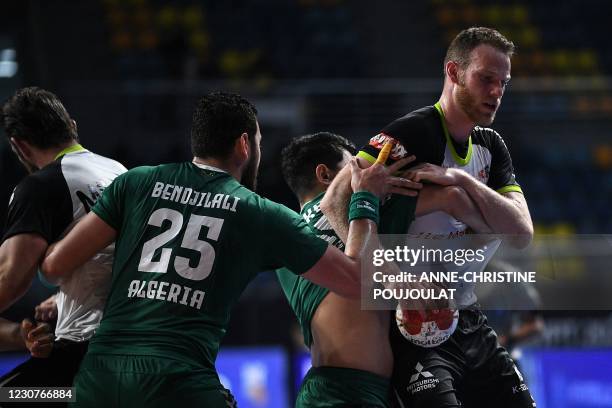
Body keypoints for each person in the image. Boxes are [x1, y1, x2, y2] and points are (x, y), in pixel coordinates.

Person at [40, 92, 415, 407]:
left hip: (100, 376)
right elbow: (356, 281)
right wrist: (363, 197)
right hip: (179, 381)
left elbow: (55, 266)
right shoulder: (261, 213)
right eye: (259, 143)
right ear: (244, 144)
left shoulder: (136, 182)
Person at [321, 27, 536, 407]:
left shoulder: (491, 146)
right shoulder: (413, 133)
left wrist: (457, 185)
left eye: (503, 83)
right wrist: (388, 275)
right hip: (415, 323)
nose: (496, 92)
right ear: (454, 73)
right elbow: (333, 201)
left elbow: (521, 233)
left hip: (468, 314)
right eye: (486, 79)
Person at [278, 132, 497, 407]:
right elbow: (451, 197)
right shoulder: (364, 213)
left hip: (328, 389)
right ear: (325, 175)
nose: (367, 173)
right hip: (350, 393)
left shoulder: (288, 239)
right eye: (354, 168)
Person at [0, 87, 127, 393]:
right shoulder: (120, 172)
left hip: (85, 351)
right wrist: (60, 299)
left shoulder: (40, 187)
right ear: (72, 125)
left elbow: (10, 280)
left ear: (20, 146)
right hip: (139, 339)